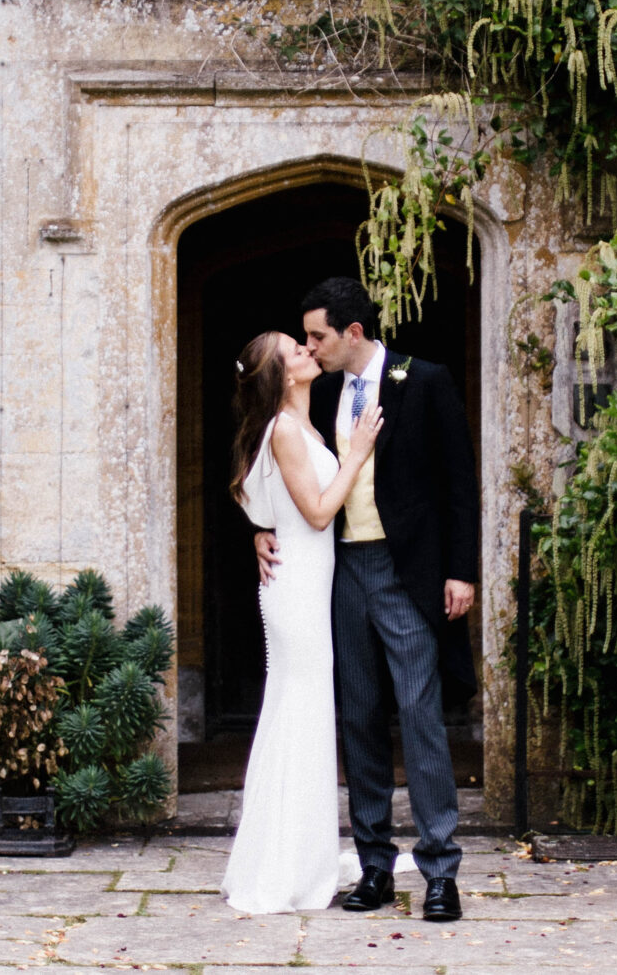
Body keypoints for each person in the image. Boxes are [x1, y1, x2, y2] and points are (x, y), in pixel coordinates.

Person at [254, 276, 478, 924]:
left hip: (405, 572)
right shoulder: (316, 392)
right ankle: (376, 866)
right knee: (358, 716)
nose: (308, 346)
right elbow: (276, 462)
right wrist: (261, 527)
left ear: (353, 333)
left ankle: (440, 870)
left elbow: (459, 483)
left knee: (419, 710)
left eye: (317, 335)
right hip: (341, 571)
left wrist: (461, 571)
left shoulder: (425, 379)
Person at [222, 328, 384, 915]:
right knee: (301, 715)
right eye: (296, 350)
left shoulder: (299, 428)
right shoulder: (287, 430)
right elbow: (316, 514)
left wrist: (262, 529)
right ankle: (289, 866)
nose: (308, 351)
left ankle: (298, 853)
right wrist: (359, 454)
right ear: (282, 375)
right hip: (295, 593)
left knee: (303, 715)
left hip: (308, 587)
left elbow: (267, 500)